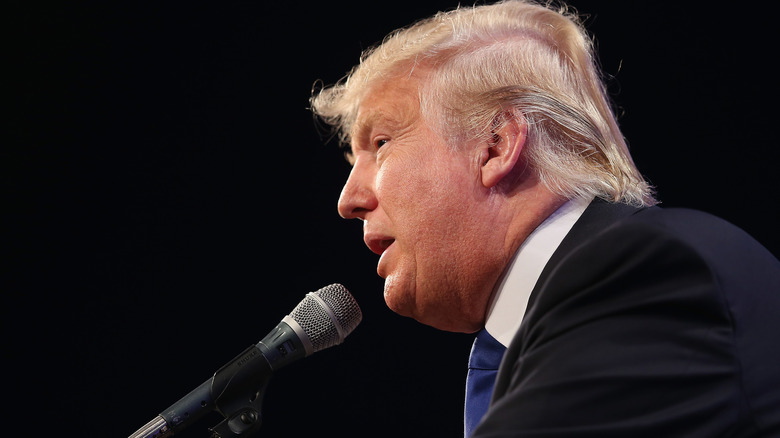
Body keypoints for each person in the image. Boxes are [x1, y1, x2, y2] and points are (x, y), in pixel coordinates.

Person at [310, 1, 780, 436]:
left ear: (495, 145)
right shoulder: (562, 316)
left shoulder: (642, 274)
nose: (348, 199)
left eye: (382, 144)